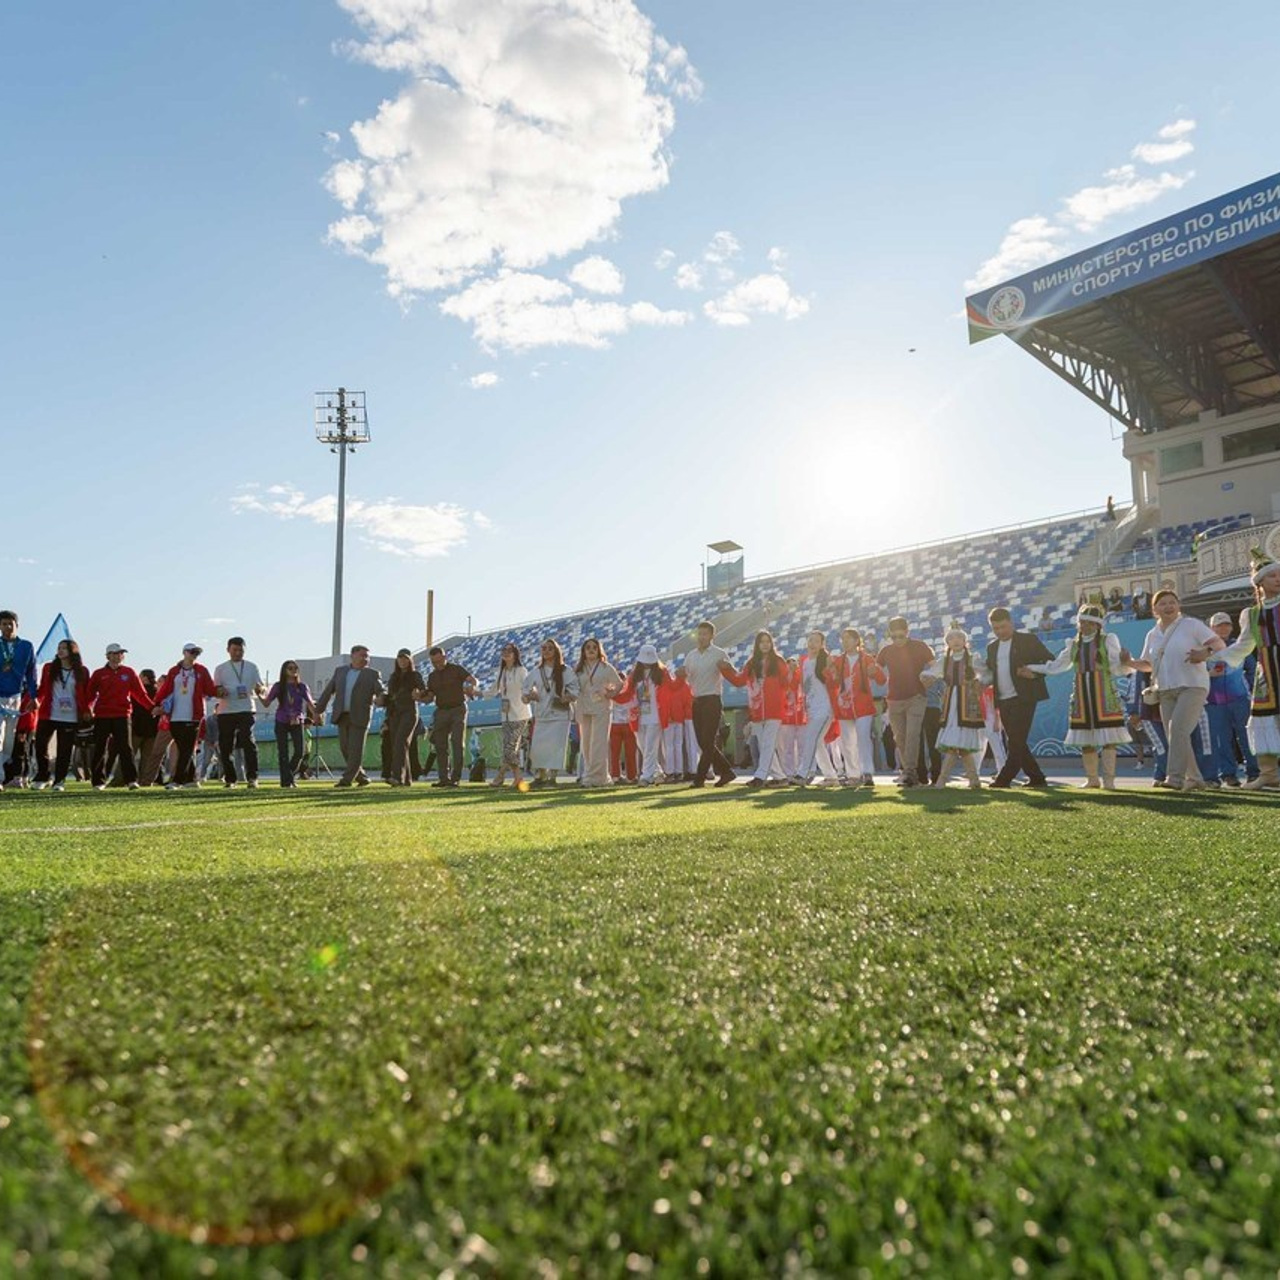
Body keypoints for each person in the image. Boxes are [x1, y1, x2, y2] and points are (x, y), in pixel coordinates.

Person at [1022, 603, 1134, 790]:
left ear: (1098, 625)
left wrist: (1125, 662)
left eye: (1089, 623)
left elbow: (1116, 667)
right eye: (1082, 622)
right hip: (1082, 696)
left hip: (1103, 694)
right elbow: (1056, 666)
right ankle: (1092, 779)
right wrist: (1032, 667)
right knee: (1085, 740)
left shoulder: (1108, 640)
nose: (1084, 626)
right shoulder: (1073, 644)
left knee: (1109, 739)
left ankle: (1109, 781)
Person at [1127, 589, 1224, 791]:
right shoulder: (1152, 634)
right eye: (1163, 603)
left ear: (1179, 606)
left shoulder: (1191, 625)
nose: (1168, 606)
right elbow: (1148, 664)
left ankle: (1175, 778)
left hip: (1193, 686)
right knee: (1176, 735)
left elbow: (1219, 644)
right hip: (1165, 690)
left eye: (1172, 602)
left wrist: (1205, 652)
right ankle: (1196, 778)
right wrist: (1129, 662)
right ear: (1154, 609)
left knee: (1177, 730)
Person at [1217, 548, 1280, 789]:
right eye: (1272, 575)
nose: (1278, 579)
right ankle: (1268, 773)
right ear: (1259, 582)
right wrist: (1212, 657)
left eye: (1279, 574)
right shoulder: (1252, 614)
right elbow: (1241, 648)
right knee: (1263, 719)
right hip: (1266, 672)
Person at [985, 606, 1054, 789]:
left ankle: (1004, 778)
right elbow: (989, 673)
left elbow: (1049, 660)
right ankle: (1037, 777)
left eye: (1003, 627)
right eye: (995, 628)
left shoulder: (1028, 640)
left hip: (1024, 697)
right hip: (1003, 699)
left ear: (1012, 623)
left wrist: (1034, 673)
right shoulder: (991, 647)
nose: (1000, 631)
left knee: (1014, 740)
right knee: (1017, 740)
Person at [721, 631, 791, 789]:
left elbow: (786, 684)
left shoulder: (778, 661)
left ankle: (760, 776)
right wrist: (725, 670)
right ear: (757, 645)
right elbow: (739, 680)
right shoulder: (752, 663)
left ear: (772, 644)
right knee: (764, 745)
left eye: (768, 641)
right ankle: (781, 778)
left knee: (767, 744)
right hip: (757, 712)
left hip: (774, 711)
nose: (765, 644)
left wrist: (791, 674)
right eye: (762, 642)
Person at [925, 623, 989, 789]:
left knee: (958, 745)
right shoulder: (945, 660)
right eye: (952, 638)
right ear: (947, 642)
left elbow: (986, 674)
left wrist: (979, 683)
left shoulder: (972, 658)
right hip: (950, 703)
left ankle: (943, 780)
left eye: (959, 637)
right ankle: (973, 780)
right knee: (958, 745)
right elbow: (930, 673)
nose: (956, 641)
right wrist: (925, 677)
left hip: (967, 703)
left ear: (964, 641)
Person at [315, 644, 387, 788]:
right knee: (345, 748)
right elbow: (328, 691)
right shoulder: (340, 671)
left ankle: (346, 779)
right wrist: (318, 710)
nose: (365, 659)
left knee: (356, 749)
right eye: (362, 655)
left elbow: (381, 691)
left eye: (367, 656)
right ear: (352, 656)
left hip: (360, 716)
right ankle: (362, 776)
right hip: (342, 715)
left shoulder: (372, 674)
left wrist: (382, 698)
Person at [876, 617, 935, 788]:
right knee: (899, 738)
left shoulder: (920, 646)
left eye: (900, 636)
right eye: (893, 637)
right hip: (894, 698)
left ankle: (909, 771)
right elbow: (876, 672)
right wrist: (872, 671)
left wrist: (930, 676)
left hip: (916, 696)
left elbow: (935, 665)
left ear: (907, 632)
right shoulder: (886, 651)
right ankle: (910, 772)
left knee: (912, 735)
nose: (897, 640)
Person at [87, 643, 154, 791]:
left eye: (121, 653)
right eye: (115, 653)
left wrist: (152, 707)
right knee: (100, 748)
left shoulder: (129, 672)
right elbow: (90, 694)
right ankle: (98, 781)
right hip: (102, 715)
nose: (119, 656)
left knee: (126, 748)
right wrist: (87, 709)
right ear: (108, 656)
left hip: (122, 715)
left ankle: (131, 780)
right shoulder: (98, 674)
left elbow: (140, 694)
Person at [1204, 611, 1258, 788]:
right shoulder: (1204, 649)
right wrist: (1208, 675)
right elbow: (1196, 672)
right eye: (1219, 625)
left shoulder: (1239, 646)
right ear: (1211, 628)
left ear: (1232, 627)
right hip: (1214, 702)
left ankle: (1254, 773)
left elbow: (1252, 669)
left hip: (1240, 699)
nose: (1223, 628)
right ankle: (1228, 774)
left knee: (1247, 737)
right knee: (1222, 740)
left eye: (1226, 624)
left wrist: (1250, 690)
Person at [825, 628, 883, 787]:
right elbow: (832, 683)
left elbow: (881, 680)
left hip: (863, 706)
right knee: (847, 742)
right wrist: (829, 670)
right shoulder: (838, 661)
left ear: (857, 641)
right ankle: (853, 775)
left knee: (863, 738)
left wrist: (875, 672)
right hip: (845, 708)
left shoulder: (867, 659)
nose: (845, 641)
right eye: (842, 638)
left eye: (848, 638)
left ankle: (867, 773)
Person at [154, 644, 219, 790]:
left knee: (187, 749)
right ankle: (191, 780)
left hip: (193, 716)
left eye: (197, 653)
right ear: (184, 653)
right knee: (184, 748)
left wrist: (222, 691)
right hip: (175, 716)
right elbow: (166, 689)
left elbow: (210, 688)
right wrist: (156, 704)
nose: (194, 655)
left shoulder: (201, 670)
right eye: (192, 652)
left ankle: (177, 781)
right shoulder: (174, 671)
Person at [681, 621, 736, 788]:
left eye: (705, 634)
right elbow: (686, 675)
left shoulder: (719, 653)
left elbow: (730, 671)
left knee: (707, 739)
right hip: (697, 700)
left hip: (712, 700)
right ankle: (726, 771)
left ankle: (699, 779)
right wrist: (680, 674)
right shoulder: (691, 655)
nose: (701, 637)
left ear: (712, 636)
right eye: (699, 634)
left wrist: (729, 666)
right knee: (703, 742)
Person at [32, 639, 91, 791]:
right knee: (40, 746)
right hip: (48, 714)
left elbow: (88, 693)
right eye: (59, 648)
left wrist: (87, 709)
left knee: (64, 750)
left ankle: (60, 780)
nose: (61, 650)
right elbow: (43, 688)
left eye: (64, 648)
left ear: (73, 651)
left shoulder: (82, 671)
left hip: (70, 716)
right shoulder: (49, 667)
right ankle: (43, 776)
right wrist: (34, 699)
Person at [522, 639, 578, 787]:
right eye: (544, 648)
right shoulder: (536, 671)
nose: (546, 651)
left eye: (550, 648)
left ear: (556, 651)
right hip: (542, 714)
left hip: (560, 714)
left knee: (557, 746)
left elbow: (575, 689)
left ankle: (552, 777)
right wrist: (529, 696)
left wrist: (567, 696)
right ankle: (540, 776)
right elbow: (525, 692)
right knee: (539, 747)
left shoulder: (565, 670)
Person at [212, 636, 266, 790]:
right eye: (235, 650)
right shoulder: (220, 668)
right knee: (225, 745)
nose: (238, 653)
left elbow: (260, 686)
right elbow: (216, 690)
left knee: (247, 740)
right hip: (226, 710)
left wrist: (260, 689)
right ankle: (230, 779)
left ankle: (253, 777)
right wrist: (221, 691)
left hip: (246, 709)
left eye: (241, 650)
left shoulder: (251, 666)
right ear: (228, 650)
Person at [611, 645, 669, 785]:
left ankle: (646, 776)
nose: (647, 663)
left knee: (650, 746)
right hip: (639, 716)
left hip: (656, 716)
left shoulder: (662, 673)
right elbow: (627, 694)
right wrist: (613, 695)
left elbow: (670, 691)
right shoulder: (634, 675)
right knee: (643, 746)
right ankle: (658, 772)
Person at [424, 646, 477, 788]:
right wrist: (421, 697)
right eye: (434, 663)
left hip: (458, 708)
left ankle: (455, 778)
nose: (437, 665)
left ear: (445, 657)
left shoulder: (456, 669)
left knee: (457, 742)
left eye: (439, 661)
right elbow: (429, 697)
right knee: (440, 745)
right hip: (441, 710)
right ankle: (443, 778)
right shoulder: (432, 676)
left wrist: (472, 687)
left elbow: (472, 680)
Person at [261, 660, 317, 788]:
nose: (294, 670)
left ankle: (288, 776)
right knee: (283, 752)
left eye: (295, 668)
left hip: (297, 721)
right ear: (284, 671)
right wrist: (259, 693)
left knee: (300, 752)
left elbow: (309, 702)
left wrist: (316, 714)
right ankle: (286, 782)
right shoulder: (278, 686)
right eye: (290, 668)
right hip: (282, 720)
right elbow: (266, 703)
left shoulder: (302, 686)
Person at [573, 638, 621, 788]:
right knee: (586, 744)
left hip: (601, 708)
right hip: (584, 708)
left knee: (598, 743)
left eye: (594, 647)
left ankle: (593, 777)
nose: (591, 650)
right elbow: (573, 687)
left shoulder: (606, 667)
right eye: (588, 647)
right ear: (583, 651)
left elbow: (619, 684)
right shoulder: (579, 669)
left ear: (599, 650)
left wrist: (610, 694)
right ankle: (595, 776)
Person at [0, 609, 38, 791]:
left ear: (17, 625)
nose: (7, 627)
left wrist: (34, 696)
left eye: (10, 623)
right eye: (3, 624)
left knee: (9, 740)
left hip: (16, 697)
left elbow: (32, 673)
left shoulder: (26, 646)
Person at [794, 631, 837, 786]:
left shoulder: (826, 660)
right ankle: (831, 777)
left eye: (816, 641)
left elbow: (835, 681)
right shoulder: (804, 661)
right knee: (817, 742)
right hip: (811, 709)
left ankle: (803, 773)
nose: (812, 644)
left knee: (811, 738)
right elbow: (804, 687)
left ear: (822, 644)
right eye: (810, 640)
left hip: (825, 707)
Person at [488, 642, 532, 788]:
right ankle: (509, 777)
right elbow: (493, 691)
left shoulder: (521, 671)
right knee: (508, 748)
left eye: (509, 651)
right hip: (506, 715)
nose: (506, 653)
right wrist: (476, 693)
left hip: (520, 714)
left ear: (515, 654)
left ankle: (508, 776)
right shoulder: (502, 672)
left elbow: (527, 687)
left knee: (509, 748)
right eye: (504, 650)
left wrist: (528, 696)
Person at [383, 649, 426, 786]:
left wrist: (418, 693)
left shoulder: (414, 675)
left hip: (409, 711)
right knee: (399, 745)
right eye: (400, 658)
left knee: (401, 742)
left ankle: (397, 777)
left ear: (410, 660)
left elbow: (423, 689)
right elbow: (389, 697)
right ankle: (406, 779)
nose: (402, 661)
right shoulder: (393, 677)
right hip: (394, 712)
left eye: (405, 658)